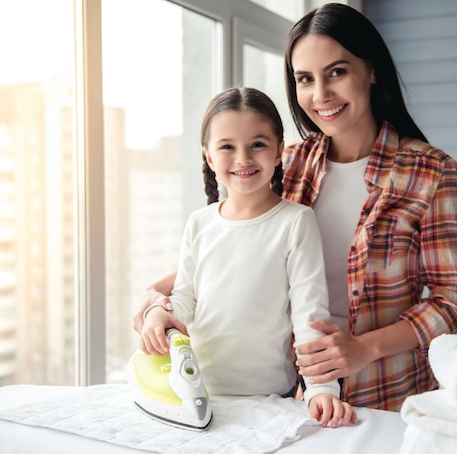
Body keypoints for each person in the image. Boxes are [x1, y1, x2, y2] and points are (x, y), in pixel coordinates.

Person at [134, 3, 457, 412]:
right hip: (293, 392)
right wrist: (158, 295)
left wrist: (362, 349)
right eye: (305, 79)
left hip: (388, 389)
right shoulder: (288, 161)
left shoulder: (430, 171)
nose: (321, 95)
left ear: (371, 70)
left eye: (337, 72)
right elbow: (234, 248)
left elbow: (453, 299)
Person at [139, 86, 357, 428]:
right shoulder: (199, 223)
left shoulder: (296, 221)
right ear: (210, 157)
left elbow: (310, 315)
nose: (243, 159)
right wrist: (160, 315)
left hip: (271, 398)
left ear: (278, 152)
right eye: (227, 147)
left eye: (257, 144)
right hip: (199, 392)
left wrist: (320, 389)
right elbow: (184, 298)